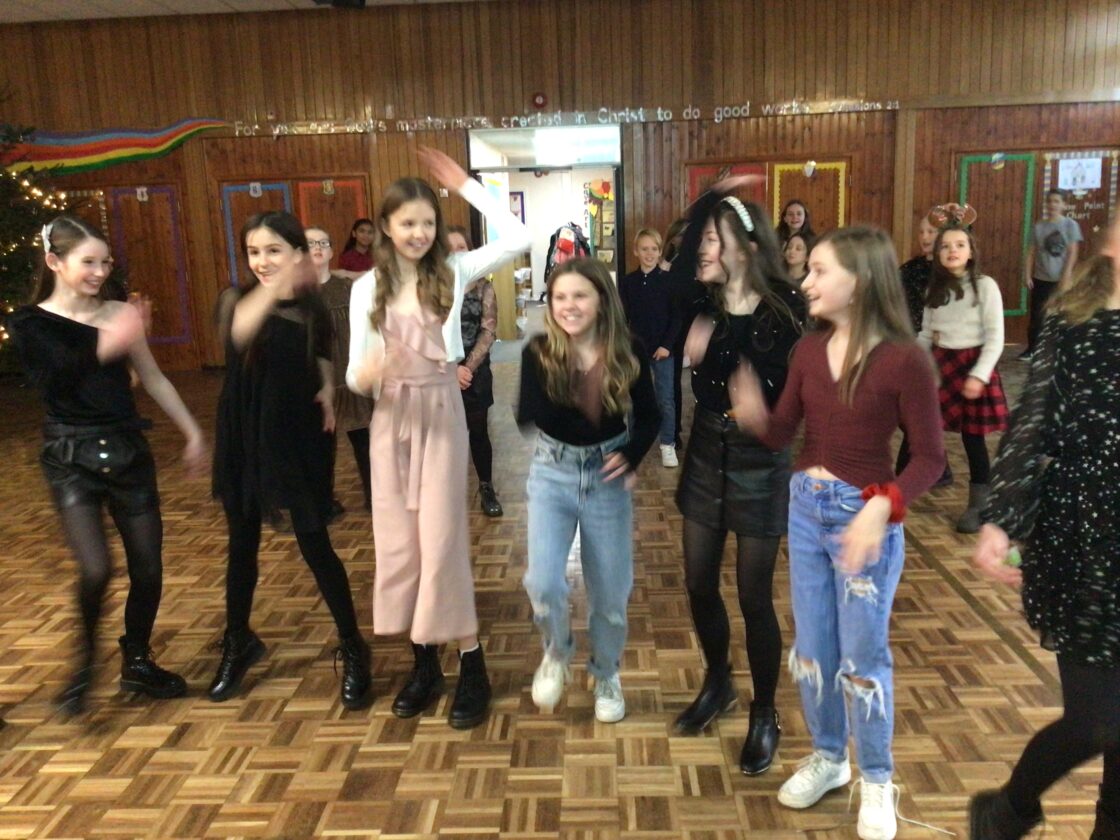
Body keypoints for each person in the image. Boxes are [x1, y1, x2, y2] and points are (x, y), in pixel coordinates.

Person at [733, 227, 944, 839]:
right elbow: (783, 434)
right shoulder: (807, 350)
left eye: (821, 270)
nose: (807, 281)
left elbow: (930, 458)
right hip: (805, 509)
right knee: (813, 652)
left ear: (862, 279)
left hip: (864, 515)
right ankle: (830, 758)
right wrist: (755, 414)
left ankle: (876, 778)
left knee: (863, 658)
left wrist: (884, 506)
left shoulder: (904, 358)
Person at [347, 147, 529, 729]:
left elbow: (520, 238)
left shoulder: (453, 271)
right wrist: (367, 374)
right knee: (402, 544)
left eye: (428, 222)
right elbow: (354, 373)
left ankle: (472, 663)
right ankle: (424, 663)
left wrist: (467, 186)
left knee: (442, 542)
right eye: (408, 223)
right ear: (386, 227)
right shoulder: (365, 289)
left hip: (440, 412)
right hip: (391, 420)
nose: (419, 233)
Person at [6, 214, 207, 715]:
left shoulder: (118, 313)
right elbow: (55, 378)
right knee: (96, 569)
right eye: (88, 262)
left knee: (149, 569)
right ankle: (83, 667)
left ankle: (136, 660)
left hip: (127, 450)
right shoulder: (29, 323)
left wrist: (193, 431)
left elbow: (152, 377)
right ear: (54, 262)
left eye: (106, 262)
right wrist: (111, 342)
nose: (100, 272)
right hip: (69, 456)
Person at [969, 216, 1120, 839]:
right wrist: (1001, 520)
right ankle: (1009, 808)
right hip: (1085, 538)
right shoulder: (1075, 319)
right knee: (1097, 721)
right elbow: (1033, 423)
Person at [669, 179, 806, 779]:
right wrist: (715, 199)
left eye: (713, 240)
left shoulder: (788, 307)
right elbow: (678, 260)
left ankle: (765, 711)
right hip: (706, 448)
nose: (701, 250)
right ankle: (719, 680)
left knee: (754, 596)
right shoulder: (701, 302)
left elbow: (798, 396)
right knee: (698, 581)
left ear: (746, 250)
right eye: (702, 240)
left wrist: (764, 413)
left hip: (761, 456)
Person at [210, 211, 372, 710]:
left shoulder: (312, 308)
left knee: (314, 541)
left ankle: (353, 645)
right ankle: (238, 640)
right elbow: (239, 334)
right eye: (254, 252)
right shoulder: (237, 300)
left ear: (297, 253)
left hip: (297, 434)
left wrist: (326, 389)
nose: (261, 261)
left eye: (274, 251)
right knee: (242, 544)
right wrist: (277, 282)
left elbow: (322, 353)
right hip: (245, 431)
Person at [518, 258, 659, 723]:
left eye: (580, 295)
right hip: (553, 472)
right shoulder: (539, 351)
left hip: (607, 478)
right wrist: (576, 378)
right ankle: (557, 651)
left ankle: (606, 671)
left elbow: (651, 416)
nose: (569, 305)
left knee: (612, 594)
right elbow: (531, 416)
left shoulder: (628, 349)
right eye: (560, 297)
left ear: (601, 299)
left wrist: (631, 454)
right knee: (542, 582)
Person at [917, 224, 1008, 533]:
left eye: (959, 245)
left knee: (973, 438)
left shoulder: (985, 286)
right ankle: (911, 482)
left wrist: (979, 376)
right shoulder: (934, 289)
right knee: (922, 427)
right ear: (937, 254)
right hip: (942, 365)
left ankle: (979, 505)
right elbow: (926, 334)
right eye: (945, 246)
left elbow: (996, 338)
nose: (952, 250)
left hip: (973, 365)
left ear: (971, 252)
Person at [306, 226, 374, 512]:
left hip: (350, 374)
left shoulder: (347, 287)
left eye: (323, 242)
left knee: (363, 440)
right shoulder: (297, 293)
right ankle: (324, 501)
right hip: (317, 381)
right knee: (322, 447)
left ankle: (375, 498)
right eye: (311, 243)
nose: (318, 247)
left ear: (332, 250)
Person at [448, 224, 503, 517]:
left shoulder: (484, 287)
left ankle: (486, 487)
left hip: (475, 372)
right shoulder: (433, 289)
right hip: (441, 371)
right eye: (449, 248)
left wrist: (466, 368)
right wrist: (451, 370)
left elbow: (488, 331)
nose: (456, 253)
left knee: (478, 432)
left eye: (461, 247)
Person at [894, 214, 951, 484]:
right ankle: (938, 467)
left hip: (940, 350)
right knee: (908, 411)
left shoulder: (951, 271)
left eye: (931, 231)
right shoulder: (909, 269)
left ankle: (914, 470)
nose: (925, 237)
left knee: (919, 410)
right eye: (922, 232)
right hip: (912, 344)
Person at [619, 228, 681, 468]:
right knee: (635, 399)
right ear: (636, 251)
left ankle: (667, 444)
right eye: (644, 249)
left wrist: (666, 345)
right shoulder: (628, 282)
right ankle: (635, 443)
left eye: (654, 249)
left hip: (663, 351)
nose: (649, 253)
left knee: (665, 399)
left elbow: (676, 318)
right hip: (637, 352)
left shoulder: (669, 281)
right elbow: (622, 317)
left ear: (660, 251)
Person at [1021, 189, 1082, 360]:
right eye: (1049, 201)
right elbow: (1031, 253)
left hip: (1061, 279)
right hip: (1041, 279)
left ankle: (1063, 350)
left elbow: (1072, 252)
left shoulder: (1070, 225)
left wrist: (1066, 275)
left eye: (1056, 201)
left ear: (1064, 205)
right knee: (1037, 316)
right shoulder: (1038, 227)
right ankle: (1032, 349)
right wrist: (1027, 275)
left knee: (1063, 314)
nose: (1052, 205)